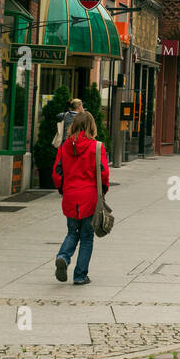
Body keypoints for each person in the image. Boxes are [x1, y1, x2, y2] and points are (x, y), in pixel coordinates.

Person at [52, 112, 108, 286]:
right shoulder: (97, 147)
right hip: (89, 197)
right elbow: (104, 173)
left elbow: (57, 172)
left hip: (70, 195)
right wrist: (103, 191)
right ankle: (80, 275)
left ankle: (63, 256)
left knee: (71, 231)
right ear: (91, 126)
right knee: (86, 237)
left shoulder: (64, 147)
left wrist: (62, 189)